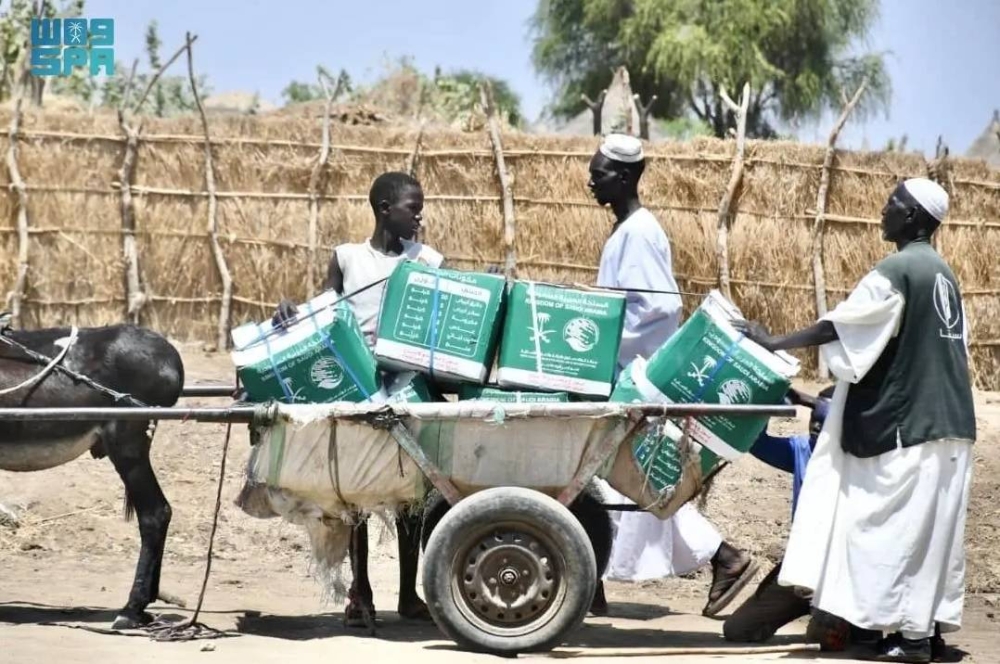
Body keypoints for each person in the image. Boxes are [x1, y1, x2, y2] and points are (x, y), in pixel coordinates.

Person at [734, 178, 976, 663]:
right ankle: (919, 635)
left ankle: (897, 637)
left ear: (913, 217)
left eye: (894, 203)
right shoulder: (943, 273)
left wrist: (773, 342)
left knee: (883, 531)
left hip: (911, 429)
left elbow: (843, 325)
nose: (883, 209)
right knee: (931, 536)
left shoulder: (899, 268)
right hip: (953, 427)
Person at [587, 133, 758, 618]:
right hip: (631, 372)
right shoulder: (627, 230)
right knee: (627, 476)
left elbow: (661, 307)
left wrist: (607, 341)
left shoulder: (639, 232)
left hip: (638, 375)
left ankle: (725, 558)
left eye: (598, 173)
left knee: (626, 475)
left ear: (622, 178)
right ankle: (591, 580)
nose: (590, 179)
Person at [275, 171, 443, 627]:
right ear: (385, 209)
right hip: (360, 385)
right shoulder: (348, 258)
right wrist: (293, 311)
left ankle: (409, 595)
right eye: (413, 206)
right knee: (358, 495)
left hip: (408, 385)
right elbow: (325, 309)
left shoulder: (427, 260)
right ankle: (361, 591)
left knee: (412, 494)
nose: (420, 215)